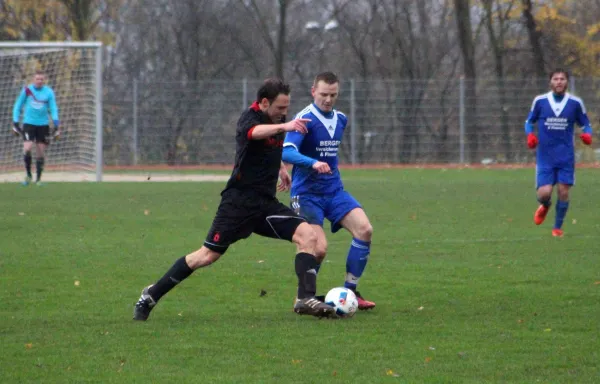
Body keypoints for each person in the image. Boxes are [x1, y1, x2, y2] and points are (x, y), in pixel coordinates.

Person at [133, 78, 338, 321]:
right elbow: (255, 134)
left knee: (308, 235)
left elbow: (272, 146)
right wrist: (286, 127)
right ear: (264, 103)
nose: (284, 113)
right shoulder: (249, 118)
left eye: (286, 108)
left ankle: (305, 298)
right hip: (238, 204)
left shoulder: (279, 120)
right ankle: (150, 295)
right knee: (206, 256)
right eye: (280, 108)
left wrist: (282, 168)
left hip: (265, 204)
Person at [282, 72, 376, 310]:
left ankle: (350, 293)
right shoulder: (305, 119)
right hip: (306, 195)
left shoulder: (341, 119)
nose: (328, 99)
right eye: (323, 94)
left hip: (334, 191)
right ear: (313, 91)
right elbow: (287, 151)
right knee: (318, 248)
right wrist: (311, 162)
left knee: (364, 230)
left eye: (333, 95)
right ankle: (303, 297)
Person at [525, 68, 593, 237]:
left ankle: (557, 228)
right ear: (550, 82)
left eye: (562, 79)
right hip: (545, 157)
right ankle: (545, 205)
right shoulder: (540, 101)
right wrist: (530, 135)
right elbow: (529, 122)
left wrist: (587, 135)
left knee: (563, 191)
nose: (559, 82)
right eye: (556, 79)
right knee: (544, 193)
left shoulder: (575, 103)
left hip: (566, 156)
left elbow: (586, 124)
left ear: (566, 82)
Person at [12, 70, 61, 186]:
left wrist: (56, 122)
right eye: (37, 79)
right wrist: (15, 121)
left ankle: (38, 179)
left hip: (43, 125)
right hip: (29, 124)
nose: (39, 81)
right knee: (27, 148)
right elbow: (18, 105)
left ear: (44, 80)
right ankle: (28, 175)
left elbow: (53, 108)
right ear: (33, 80)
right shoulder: (27, 90)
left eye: (41, 79)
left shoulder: (49, 92)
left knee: (40, 152)